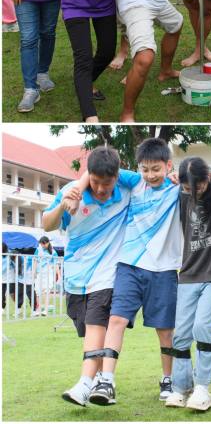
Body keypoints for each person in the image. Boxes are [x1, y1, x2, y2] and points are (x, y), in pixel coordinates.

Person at [88, 138, 184, 406]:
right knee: (116, 321)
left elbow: (208, 176)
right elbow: (97, 170)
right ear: (138, 168)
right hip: (129, 265)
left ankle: (168, 379)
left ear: (168, 165)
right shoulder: (133, 181)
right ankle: (106, 380)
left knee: (165, 330)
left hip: (164, 270)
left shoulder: (178, 187)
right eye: (145, 169)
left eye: (156, 169)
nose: (150, 175)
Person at [41, 146, 136, 406]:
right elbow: (47, 224)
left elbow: (151, 176)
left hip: (107, 275)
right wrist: (63, 204)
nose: (102, 189)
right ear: (88, 175)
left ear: (117, 177)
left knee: (97, 326)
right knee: (90, 332)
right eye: (95, 181)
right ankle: (100, 381)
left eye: (107, 183)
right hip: (75, 278)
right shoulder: (72, 192)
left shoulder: (127, 191)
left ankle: (87, 384)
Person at [165, 157, 211, 412]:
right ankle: (180, 388)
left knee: (203, 328)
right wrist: (173, 178)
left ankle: (203, 387)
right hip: (189, 272)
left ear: (208, 178)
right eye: (187, 188)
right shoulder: (181, 194)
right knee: (181, 332)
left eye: (199, 186)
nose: (193, 192)